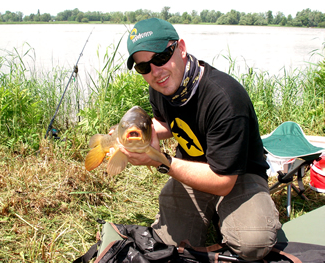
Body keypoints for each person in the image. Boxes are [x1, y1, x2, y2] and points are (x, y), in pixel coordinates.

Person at [120, 18, 281, 261]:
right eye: (144, 67)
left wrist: (160, 161)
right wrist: (137, 134)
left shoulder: (225, 98)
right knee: (168, 241)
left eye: (161, 58)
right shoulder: (160, 86)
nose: (155, 71)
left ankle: (229, 212)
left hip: (238, 175)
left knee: (253, 244)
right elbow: (165, 123)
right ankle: (217, 214)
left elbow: (224, 181)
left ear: (181, 48)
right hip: (193, 167)